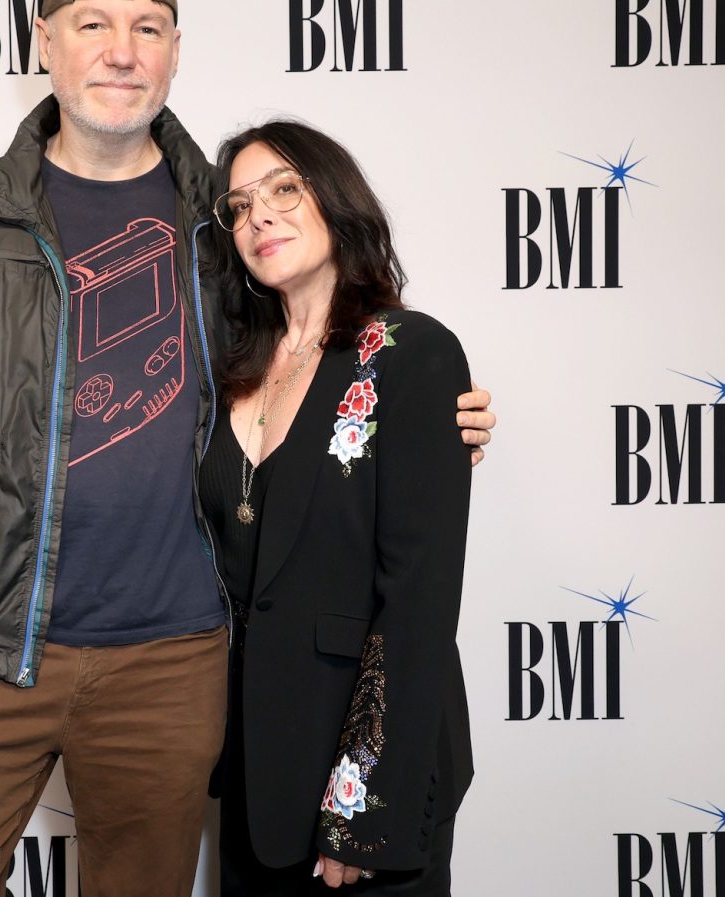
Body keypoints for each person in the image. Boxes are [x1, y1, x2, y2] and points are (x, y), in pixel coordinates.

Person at [0, 0, 494, 897]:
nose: (121, 51)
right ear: (44, 45)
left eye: (146, 29)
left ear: (175, 52)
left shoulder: (222, 219)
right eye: (93, 26)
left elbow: (323, 356)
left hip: (175, 660)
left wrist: (437, 419)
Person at [200, 121, 473, 895]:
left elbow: (417, 600)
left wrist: (360, 809)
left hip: (363, 784)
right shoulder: (230, 370)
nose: (260, 216)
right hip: (255, 779)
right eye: (239, 205)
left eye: (284, 188)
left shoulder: (411, 352)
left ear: (335, 198)